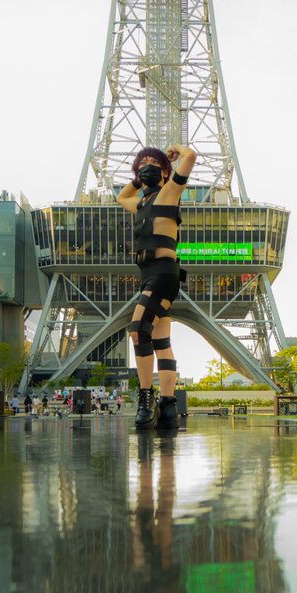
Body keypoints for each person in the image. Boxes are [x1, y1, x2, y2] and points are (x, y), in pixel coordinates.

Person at [116, 142, 197, 429]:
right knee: (161, 343)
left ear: (164, 171)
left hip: (163, 273)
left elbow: (191, 156)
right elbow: (122, 196)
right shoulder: (140, 204)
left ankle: (145, 398)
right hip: (148, 275)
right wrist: (138, 179)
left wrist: (174, 152)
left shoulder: (169, 193)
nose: (145, 167)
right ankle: (168, 405)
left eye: (152, 163)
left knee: (138, 331)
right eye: (141, 164)